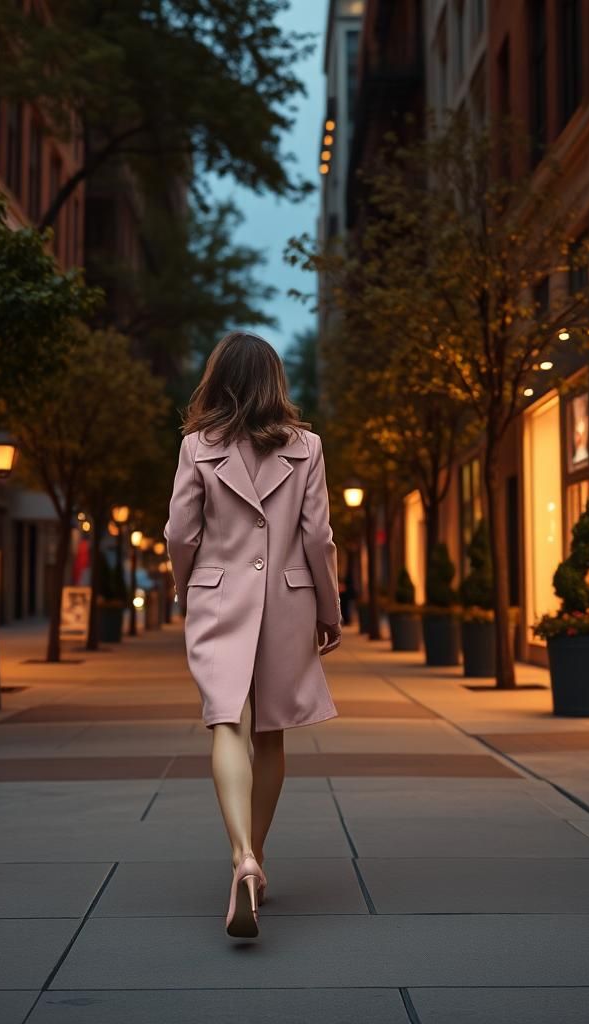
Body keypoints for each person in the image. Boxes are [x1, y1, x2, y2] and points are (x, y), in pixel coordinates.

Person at [165, 331, 342, 940]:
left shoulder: (196, 447)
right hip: (288, 602)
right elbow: (317, 538)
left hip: (218, 599)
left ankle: (241, 854)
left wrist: (187, 589)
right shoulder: (308, 447)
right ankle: (255, 862)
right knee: (270, 734)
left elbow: (180, 533)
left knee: (225, 722)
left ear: (217, 380)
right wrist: (329, 609)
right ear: (275, 382)